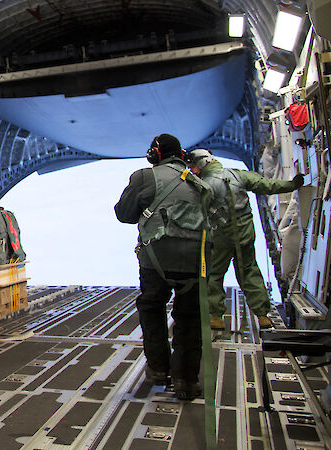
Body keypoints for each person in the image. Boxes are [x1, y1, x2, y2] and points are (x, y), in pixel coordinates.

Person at [115, 134, 213, 401]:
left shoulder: (145, 177)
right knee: (190, 317)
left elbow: (124, 214)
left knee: (151, 306)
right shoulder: (200, 181)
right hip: (196, 260)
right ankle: (186, 380)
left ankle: (159, 369)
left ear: (154, 155)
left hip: (156, 260)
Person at [186, 149, 303, 330]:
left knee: (214, 274)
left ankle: (216, 317)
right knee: (249, 270)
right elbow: (267, 185)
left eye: (193, 166)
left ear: (201, 163)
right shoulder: (237, 175)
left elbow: (193, 214)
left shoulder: (202, 185)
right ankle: (263, 315)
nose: (192, 171)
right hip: (245, 233)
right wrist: (292, 185)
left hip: (219, 236)